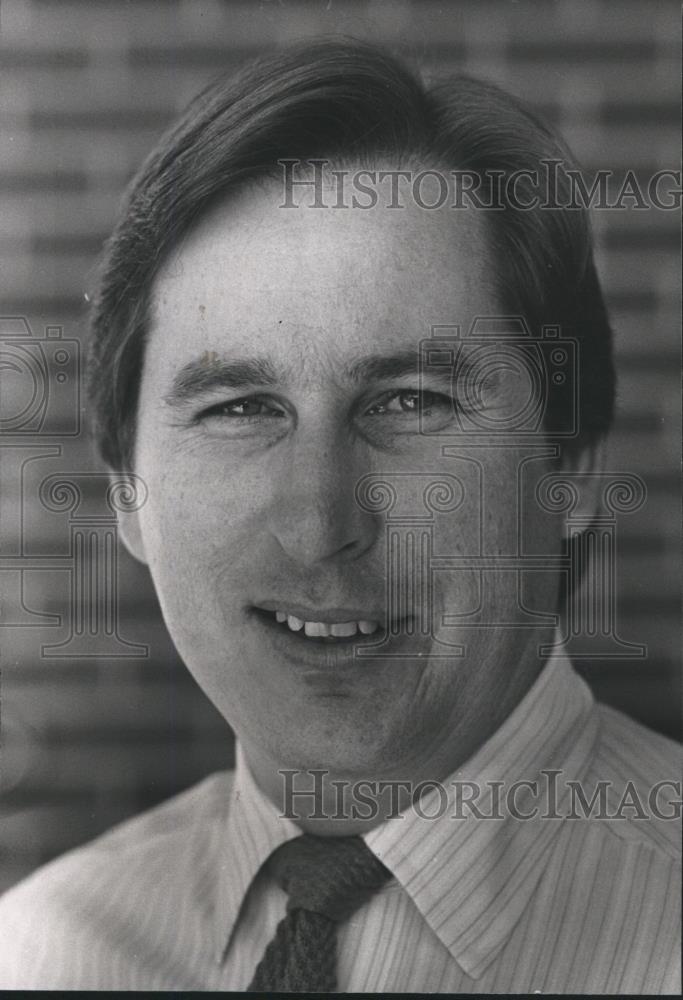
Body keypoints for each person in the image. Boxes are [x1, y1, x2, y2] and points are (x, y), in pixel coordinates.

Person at [0, 39, 679, 993]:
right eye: (239, 409)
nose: (321, 525)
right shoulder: (35, 955)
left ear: (568, 469)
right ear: (125, 493)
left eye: (408, 401)